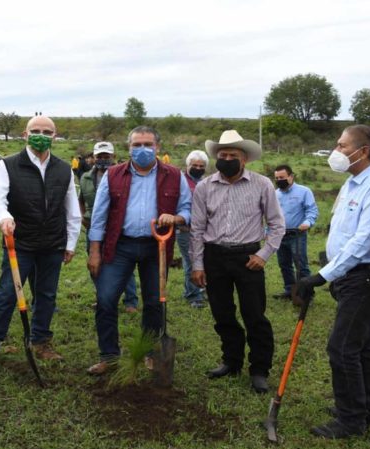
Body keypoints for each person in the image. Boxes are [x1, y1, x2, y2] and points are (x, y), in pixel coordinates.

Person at [295, 124, 370, 438]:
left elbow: (364, 241)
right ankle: (367, 409)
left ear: (363, 151)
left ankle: (351, 420)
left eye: (342, 146)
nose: (337, 151)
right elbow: (343, 230)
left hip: (369, 276)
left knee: (342, 348)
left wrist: (321, 276)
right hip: (352, 274)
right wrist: (331, 265)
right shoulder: (353, 182)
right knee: (362, 346)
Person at [86, 125, 192, 375]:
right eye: (137, 145)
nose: (143, 149)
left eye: (148, 145)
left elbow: (188, 210)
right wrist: (94, 250)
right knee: (106, 299)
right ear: (129, 148)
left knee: (154, 302)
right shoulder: (113, 175)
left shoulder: (175, 175)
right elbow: (99, 215)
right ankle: (109, 356)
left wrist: (176, 218)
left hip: (157, 246)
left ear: (158, 147)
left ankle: (149, 352)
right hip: (119, 245)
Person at [0, 115, 81, 368]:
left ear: (54, 137)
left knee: (47, 295)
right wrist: (3, 218)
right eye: (35, 130)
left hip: (52, 244)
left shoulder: (63, 168)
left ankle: (41, 340)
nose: (41, 135)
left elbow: (72, 210)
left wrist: (70, 243)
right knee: (8, 293)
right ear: (25, 135)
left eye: (47, 131)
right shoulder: (8, 165)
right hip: (20, 242)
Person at [190, 130, 284, 393]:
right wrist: (197, 265)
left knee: (255, 315)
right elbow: (197, 229)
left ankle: (259, 369)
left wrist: (263, 255)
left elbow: (277, 225)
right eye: (223, 155)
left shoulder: (262, 184)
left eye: (233, 155)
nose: (227, 159)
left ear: (245, 159)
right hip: (215, 256)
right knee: (222, 314)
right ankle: (231, 361)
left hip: (248, 258)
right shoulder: (204, 187)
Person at [78, 141, 138, 313]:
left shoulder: (125, 176)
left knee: (123, 265)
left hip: (117, 229)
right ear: (93, 158)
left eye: (107, 156)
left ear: (114, 157)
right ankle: (103, 298)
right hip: (92, 228)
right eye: (100, 156)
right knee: (95, 265)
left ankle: (131, 301)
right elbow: (81, 200)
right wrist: (82, 217)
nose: (103, 159)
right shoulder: (86, 177)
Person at [273, 164, 318, 300]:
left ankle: (306, 293)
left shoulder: (304, 191)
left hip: (297, 234)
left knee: (301, 264)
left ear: (291, 177)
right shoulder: (275, 194)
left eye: (282, 177)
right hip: (280, 235)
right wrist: (268, 230)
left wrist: (307, 222)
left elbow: (312, 210)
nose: (279, 180)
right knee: (284, 264)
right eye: (276, 178)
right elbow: (272, 215)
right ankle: (290, 290)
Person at [178, 150, 209, 308]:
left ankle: (199, 289)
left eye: (201, 166)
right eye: (194, 165)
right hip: (185, 228)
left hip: (204, 229)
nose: (197, 168)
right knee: (191, 260)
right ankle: (193, 295)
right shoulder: (180, 181)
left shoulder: (206, 182)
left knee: (202, 260)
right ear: (188, 165)